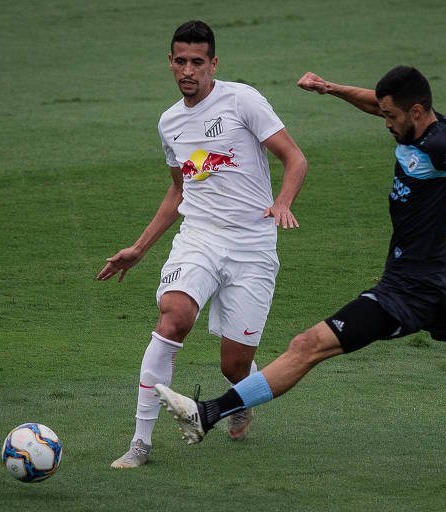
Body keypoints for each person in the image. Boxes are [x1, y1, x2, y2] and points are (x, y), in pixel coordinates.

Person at [154, 66, 446, 456]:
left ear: (417, 112)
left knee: (308, 345)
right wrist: (330, 88)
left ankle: (209, 414)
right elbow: (371, 100)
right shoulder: (415, 121)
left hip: (411, 287)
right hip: (439, 276)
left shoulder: (445, 146)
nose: (383, 122)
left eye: (389, 116)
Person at [97, 20, 307, 468]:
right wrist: (140, 247)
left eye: (197, 62)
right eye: (180, 61)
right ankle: (140, 442)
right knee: (173, 319)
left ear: (213, 64)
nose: (188, 70)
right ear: (170, 63)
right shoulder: (169, 122)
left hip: (253, 246)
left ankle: (241, 398)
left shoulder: (242, 100)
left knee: (234, 367)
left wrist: (282, 201)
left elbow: (294, 157)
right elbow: (180, 191)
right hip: (200, 238)